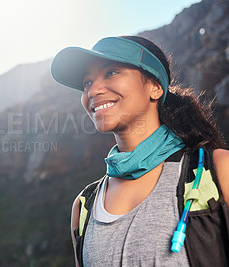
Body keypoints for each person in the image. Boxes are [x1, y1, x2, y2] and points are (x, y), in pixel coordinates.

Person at [50, 36, 229, 266]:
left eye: (111, 72)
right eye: (86, 82)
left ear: (155, 87)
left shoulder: (217, 171)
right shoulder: (83, 206)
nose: (93, 90)